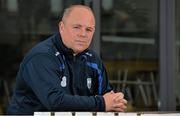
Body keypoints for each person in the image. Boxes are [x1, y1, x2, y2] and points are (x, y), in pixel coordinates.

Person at [6, 5, 127, 115]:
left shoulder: (93, 60)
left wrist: (116, 101)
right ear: (61, 27)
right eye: (77, 27)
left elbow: (108, 98)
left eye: (88, 29)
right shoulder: (42, 56)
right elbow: (55, 102)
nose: (83, 34)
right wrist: (101, 103)